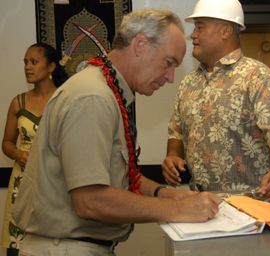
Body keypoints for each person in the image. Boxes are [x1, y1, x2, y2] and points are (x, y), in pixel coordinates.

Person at [12, 8, 221, 256]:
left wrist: (170, 197)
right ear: (141, 44)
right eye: (169, 63)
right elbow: (91, 200)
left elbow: (123, 174)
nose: (170, 77)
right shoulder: (93, 97)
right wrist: (180, 211)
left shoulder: (107, 92)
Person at [161, 0, 270, 203]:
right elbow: (177, 131)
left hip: (251, 205)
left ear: (225, 30)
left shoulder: (257, 77)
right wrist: (173, 155)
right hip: (199, 204)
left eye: (200, 27)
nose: (193, 35)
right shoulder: (188, 83)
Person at [1, 43, 68, 256]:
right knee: (18, 246)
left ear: (51, 67)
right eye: (25, 62)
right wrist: (18, 153)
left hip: (55, 181)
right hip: (22, 182)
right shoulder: (18, 102)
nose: (27, 67)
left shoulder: (64, 99)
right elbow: (7, 143)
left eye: (34, 62)